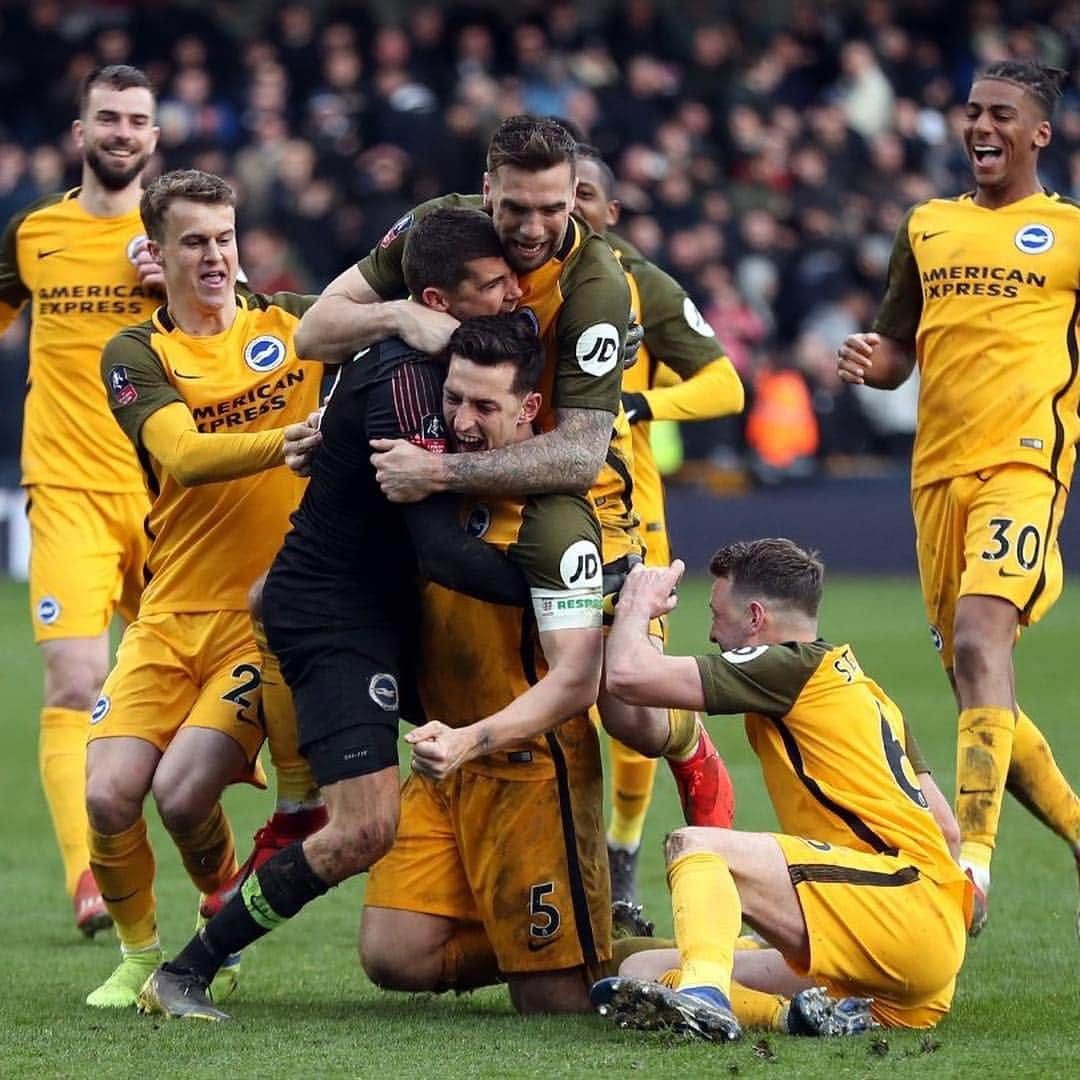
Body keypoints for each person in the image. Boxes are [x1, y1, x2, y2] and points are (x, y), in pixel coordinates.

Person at [136, 208, 537, 1023]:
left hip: (384, 608)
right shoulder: (402, 379)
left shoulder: (450, 357)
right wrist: (576, 588)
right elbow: (437, 548)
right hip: (335, 616)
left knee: (504, 741)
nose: (515, 294)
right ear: (436, 301)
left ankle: (559, 910)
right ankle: (185, 970)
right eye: (493, 285)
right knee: (363, 829)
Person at [293, 114, 732, 832]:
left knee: (627, 711)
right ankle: (317, 807)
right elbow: (315, 329)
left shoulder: (596, 284)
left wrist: (436, 474)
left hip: (575, 501)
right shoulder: (440, 230)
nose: (533, 229)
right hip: (457, 480)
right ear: (485, 189)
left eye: (554, 210)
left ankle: (684, 749)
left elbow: (580, 455)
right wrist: (402, 316)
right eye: (516, 208)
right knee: (377, 636)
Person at [836, 59, 1080, 934]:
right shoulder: (926, 227)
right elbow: (900, 345)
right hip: (936, 475)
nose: (980, 126)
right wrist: (876, 361)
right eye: (971, 110)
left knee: (983, 637)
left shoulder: (1071, 233)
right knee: (980, 687)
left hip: (1025, 467)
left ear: (1040, 133)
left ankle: (971, 868)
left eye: (1001, 114)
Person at [83, 169, 324, 1008]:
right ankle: (137, 952)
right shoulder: (136, 353)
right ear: (157, 251)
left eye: (224, 237)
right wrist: (287, 441)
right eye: (195, 241)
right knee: (109, 794)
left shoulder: (294, 322)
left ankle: (216, 928)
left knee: (183, 794)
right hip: (167, 611)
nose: (215, 255)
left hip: (256, 623)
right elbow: (182, 455)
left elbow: (385, 314)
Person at [590, 540, 972, 1040]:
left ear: (754, 617)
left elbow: (626, 677)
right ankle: (791, 1017)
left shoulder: (786, 666)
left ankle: (704, 995)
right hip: (908, 945)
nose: (710, 631)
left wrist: (636, 606)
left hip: (899, 908)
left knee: (696, 846)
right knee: (638, 971)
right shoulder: (866, 692)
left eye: (717, 614)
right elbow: (947, 831)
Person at [361, 312, 608, 1015]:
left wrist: (474, 739)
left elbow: (575, 678)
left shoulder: (552, 520)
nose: (462, 421)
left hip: (529, 768)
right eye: (453, 399)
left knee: (555, 1003)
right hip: (445, 763)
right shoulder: (432, 484)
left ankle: (687, 960)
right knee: (394, 956)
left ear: (531, 408)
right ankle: (559, 946)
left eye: (484, 406)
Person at [0, 65, 161, 936]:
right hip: (64, 488)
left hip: (167, 491)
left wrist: (177, 285)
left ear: (154, 138)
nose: (122, 131)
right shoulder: (33, 232)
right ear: (81, 130)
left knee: (189, 693)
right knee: (74, 681)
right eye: (109, 117)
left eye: (137, 119)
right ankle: (86, 879)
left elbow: (240, 323)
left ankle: (220, 870)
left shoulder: (178, 236)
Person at [573, 143, 746, 903]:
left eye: (583, 193)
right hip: (531, 515)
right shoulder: (506, 277)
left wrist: (644, 403)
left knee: (631, 696)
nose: (568, 207)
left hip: (630, 522)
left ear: (610, 212)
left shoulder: (643, 284)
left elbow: (726, 386)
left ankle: (623, 846)